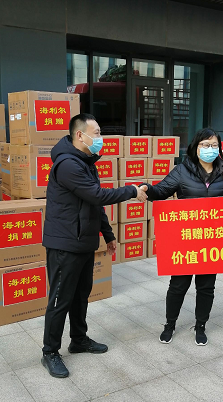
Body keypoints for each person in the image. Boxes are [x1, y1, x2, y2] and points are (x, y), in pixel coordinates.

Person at [140, 128, 223, 346]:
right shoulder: (181, 171)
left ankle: (200, 325)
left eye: (214, 145)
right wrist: (147, 189)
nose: (210, 149)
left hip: (212, 239)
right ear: (196, 147)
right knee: (178, 285)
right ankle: (169, 324)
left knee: (206, 287)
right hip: (186, 239)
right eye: (205, 145)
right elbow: (161, 191)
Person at [42, 113, 147, 378]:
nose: (100, 138)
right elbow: (97, 195)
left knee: (80, 295)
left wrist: (108, 234)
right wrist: (131, 191)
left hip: (83, 242)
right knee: (60, 300)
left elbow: (93, 204)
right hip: (65, 244)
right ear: (80, 135)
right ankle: (50, 352)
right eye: (97, 133)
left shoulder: (86, 162)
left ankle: (79, 340)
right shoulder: (67, 165)